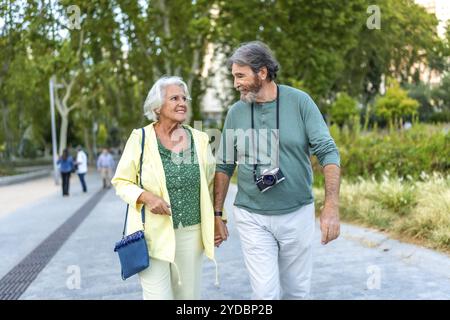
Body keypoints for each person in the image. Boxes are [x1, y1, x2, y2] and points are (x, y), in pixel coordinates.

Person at [214, 41, 341, 300]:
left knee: (296, 291)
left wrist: (331, 206)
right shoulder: (236, 112)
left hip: (297, 213)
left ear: (262, 72)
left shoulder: (300, 102)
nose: (236, 83)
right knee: (264, 294)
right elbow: (224, 165)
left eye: (241, 76)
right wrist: (217, 212)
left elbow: (328, 152)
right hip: (251, 216)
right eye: (233, 77)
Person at [111, 76, 228, 300]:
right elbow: (121, 181)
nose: (182, 102)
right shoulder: (140, 138)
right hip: (151, 235)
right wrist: (146, 197)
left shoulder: (201, 139)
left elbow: (212, 185)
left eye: (184, 98)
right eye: (174, 98)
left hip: (191, 235)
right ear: (157, 107)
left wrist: (219, 219)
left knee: (188, 298)